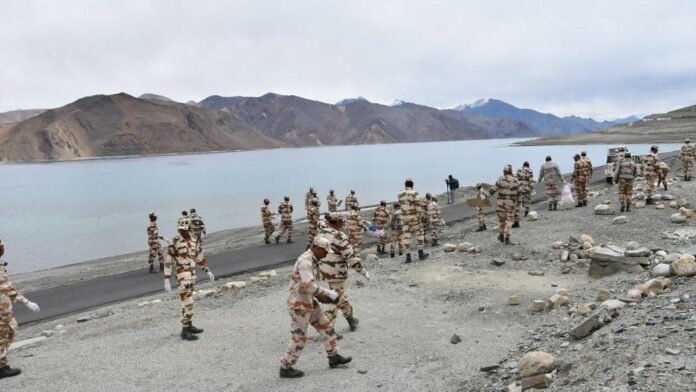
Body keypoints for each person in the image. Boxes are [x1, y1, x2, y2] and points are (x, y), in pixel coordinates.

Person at [279, 236, 352, 378]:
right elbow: (309, 285)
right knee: (299, 337)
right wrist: (326, 294)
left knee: (326, 326)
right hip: (299, 305)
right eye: (325, 251)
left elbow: (309, 286)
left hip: (308, 301)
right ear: (317, 248)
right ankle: (286, 367)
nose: (326, 254)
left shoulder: (312, 259)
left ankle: (334, 356)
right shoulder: (305, 262)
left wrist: (319, 295)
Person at [316, 212, 369, 331]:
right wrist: (363, 271)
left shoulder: (320, 234)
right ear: (337, 222)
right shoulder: (339, 237)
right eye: (341, 221)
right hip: (337, 273)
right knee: (335, 299)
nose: (343, 223)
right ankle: (327, 328)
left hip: (324, 271)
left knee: (339, 295)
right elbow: (351, 258)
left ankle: (351, 319)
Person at [163, 222, 215, 341]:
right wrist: (166, 279)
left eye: (184, 230)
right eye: (180, 229)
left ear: (188, 229)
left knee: (189, 301)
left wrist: (206, 270)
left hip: (192, 274)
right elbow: (168, 260)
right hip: (182, 275)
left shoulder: (194, 240)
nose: (181, 232)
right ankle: (184, 329)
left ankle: (189, 325)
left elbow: (198, 256)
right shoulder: (175, 241)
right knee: (188, 301)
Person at [0, 240, 41, 379]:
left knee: (10, 331)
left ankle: (2, 364)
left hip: (4, 308)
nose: (3, 248)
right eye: (2, 246)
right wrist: (26, 302)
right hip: (1, 310)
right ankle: (1, 368)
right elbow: (7, 288)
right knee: (4, 335)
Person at [398, 178, 429, 263]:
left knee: (406, 237)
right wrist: (421, 215)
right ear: (412, 185)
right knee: (419, 234)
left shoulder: (399, 194)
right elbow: (418, 206)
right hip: (414, 218)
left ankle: (408, 257)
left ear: (405, 185)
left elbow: (400, 205)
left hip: (404, 219)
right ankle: (421, 253)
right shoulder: (414, 193)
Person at [489, 165, 519, 245]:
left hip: (500, 204)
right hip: (511, 204)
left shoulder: (500, 180)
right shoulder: (516, 181)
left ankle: (501, 234)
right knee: (509, 220)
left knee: (501, 220)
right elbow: (519, 193)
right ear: (511, 171)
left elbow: (492, 191)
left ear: (504, 171)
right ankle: (507, 237)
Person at [515, 161, 535, 226]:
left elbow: (516, 179)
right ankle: (526, 212)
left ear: (523, 165)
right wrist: (532, 189)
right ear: (528, 166)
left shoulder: (518, 170)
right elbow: (531, 180)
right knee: (527, 200)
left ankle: (517, 214)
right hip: (527, 187)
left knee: (519, 201)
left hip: (520, 187)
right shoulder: (530, 170)